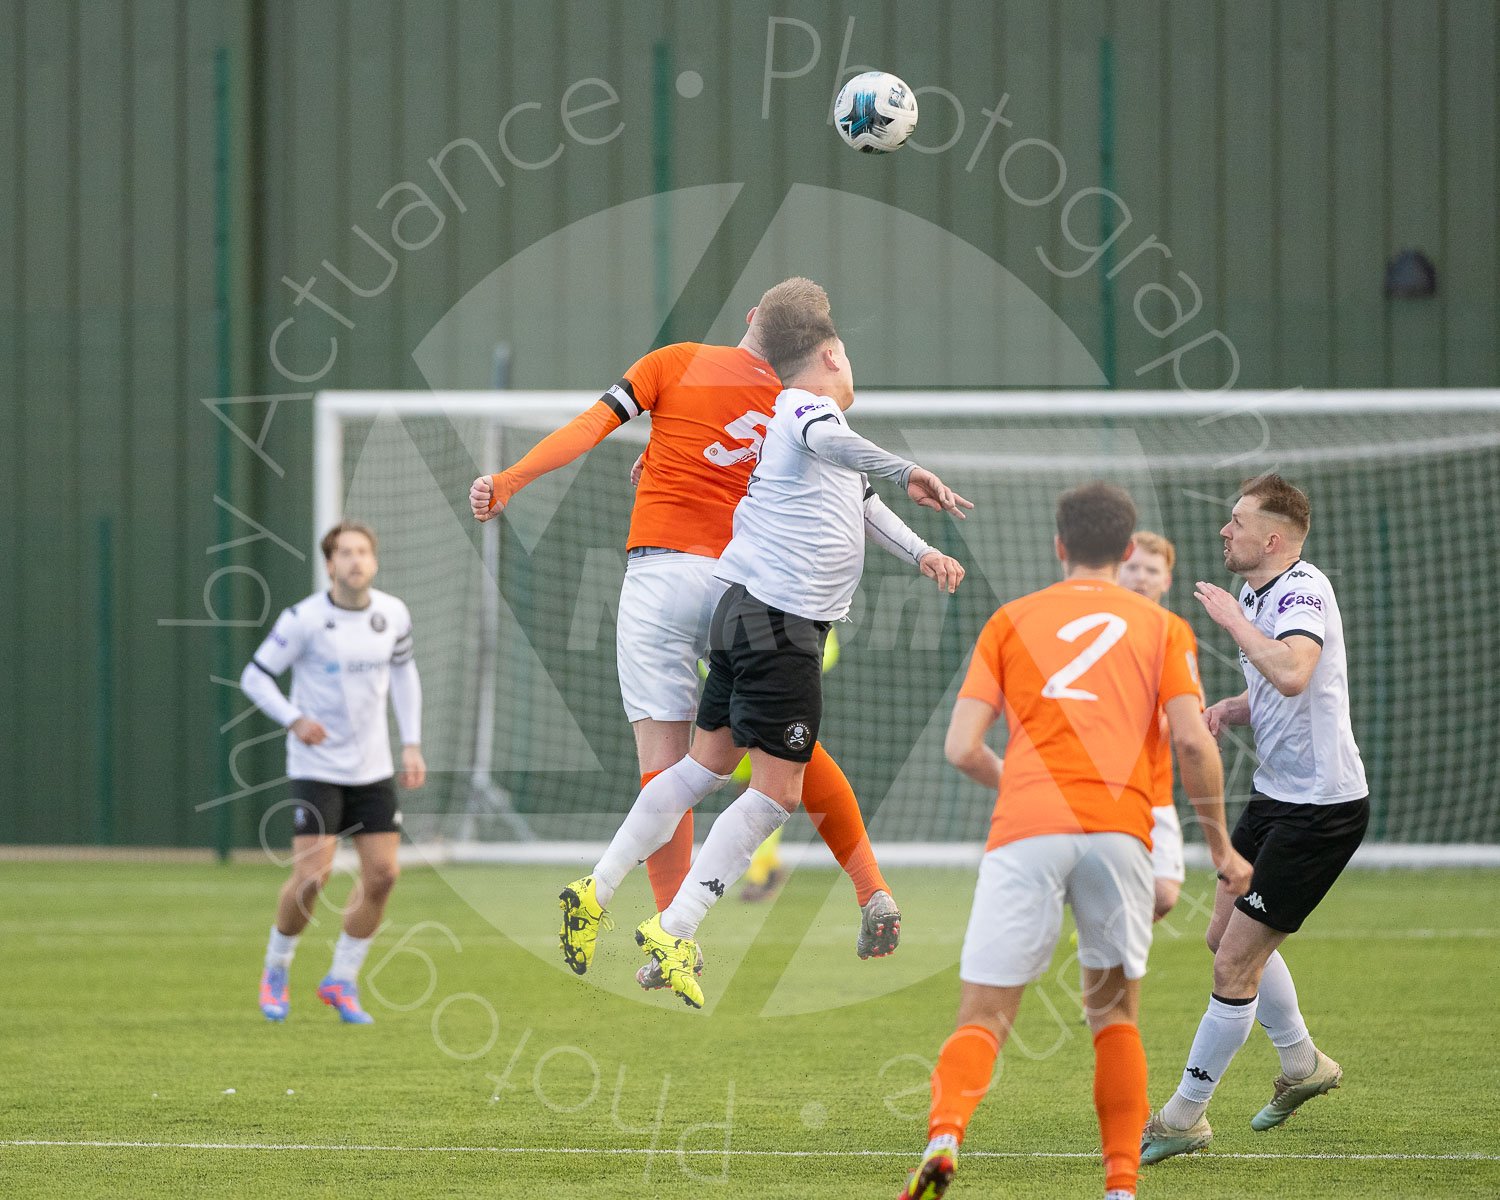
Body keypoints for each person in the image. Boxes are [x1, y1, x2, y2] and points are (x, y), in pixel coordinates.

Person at [469, 278, 937, 978]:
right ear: (821, 347)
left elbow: (588, 427)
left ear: (751, 317)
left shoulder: (676, 361)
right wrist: (923, 543)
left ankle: (651, 924)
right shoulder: (795, 400)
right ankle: (863, 887)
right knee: (789, 756)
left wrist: (511, 479)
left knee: (673, 768)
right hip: (738, 586)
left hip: (655, 582)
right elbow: (846, 488)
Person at [901, 483, 1251, 1200]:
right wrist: (1220, 847)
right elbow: (1191, 741)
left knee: (985, 1017)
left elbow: (963, 748)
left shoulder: (1010, 620)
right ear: (1128, 554)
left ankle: (944, 1139)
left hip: (1026, 828)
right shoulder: (1162, 628)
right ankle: (1120, 1186)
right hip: (1121, 834)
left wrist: (1027, 790)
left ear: (1058, 545)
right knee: (1113, 1016)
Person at [1142, 474, 1369, 1162]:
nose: (1224, 531)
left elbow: (1297, 670)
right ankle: (1302, 1063)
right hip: (1275, 797)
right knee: (1223, 937)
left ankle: (1183, 1118)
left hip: (1321, 810)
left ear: (1272, 539)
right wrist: (1238, 706)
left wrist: (1233, 625)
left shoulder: (1302, 590)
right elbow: (1281, 682)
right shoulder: (1255, 589)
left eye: (1236, 521)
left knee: (1235, 964)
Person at [241, 521, 425, 1024]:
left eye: (363, 552)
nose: (356, 561)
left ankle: (340, 980)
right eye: (345, 553)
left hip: (373, 768)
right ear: (329, 564)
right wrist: (294, 719)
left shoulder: (393, 614)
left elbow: (405, 674)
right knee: (312, 877)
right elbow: (254, 676)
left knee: (384, 875)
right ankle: (276, 967)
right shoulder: (303, 619)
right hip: (317, 767)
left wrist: (411, 742)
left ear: (375, 560)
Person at [1118, 530, 1187, 920]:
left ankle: (1107, 935)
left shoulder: (1171, 633)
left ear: (1167, 579)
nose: (1140, 577)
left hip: (1154, 790)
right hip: (1101, 790)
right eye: (1131, 567)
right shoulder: (1098, 628)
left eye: (1151, 569)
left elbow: (1189, 711)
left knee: (1163, 895)